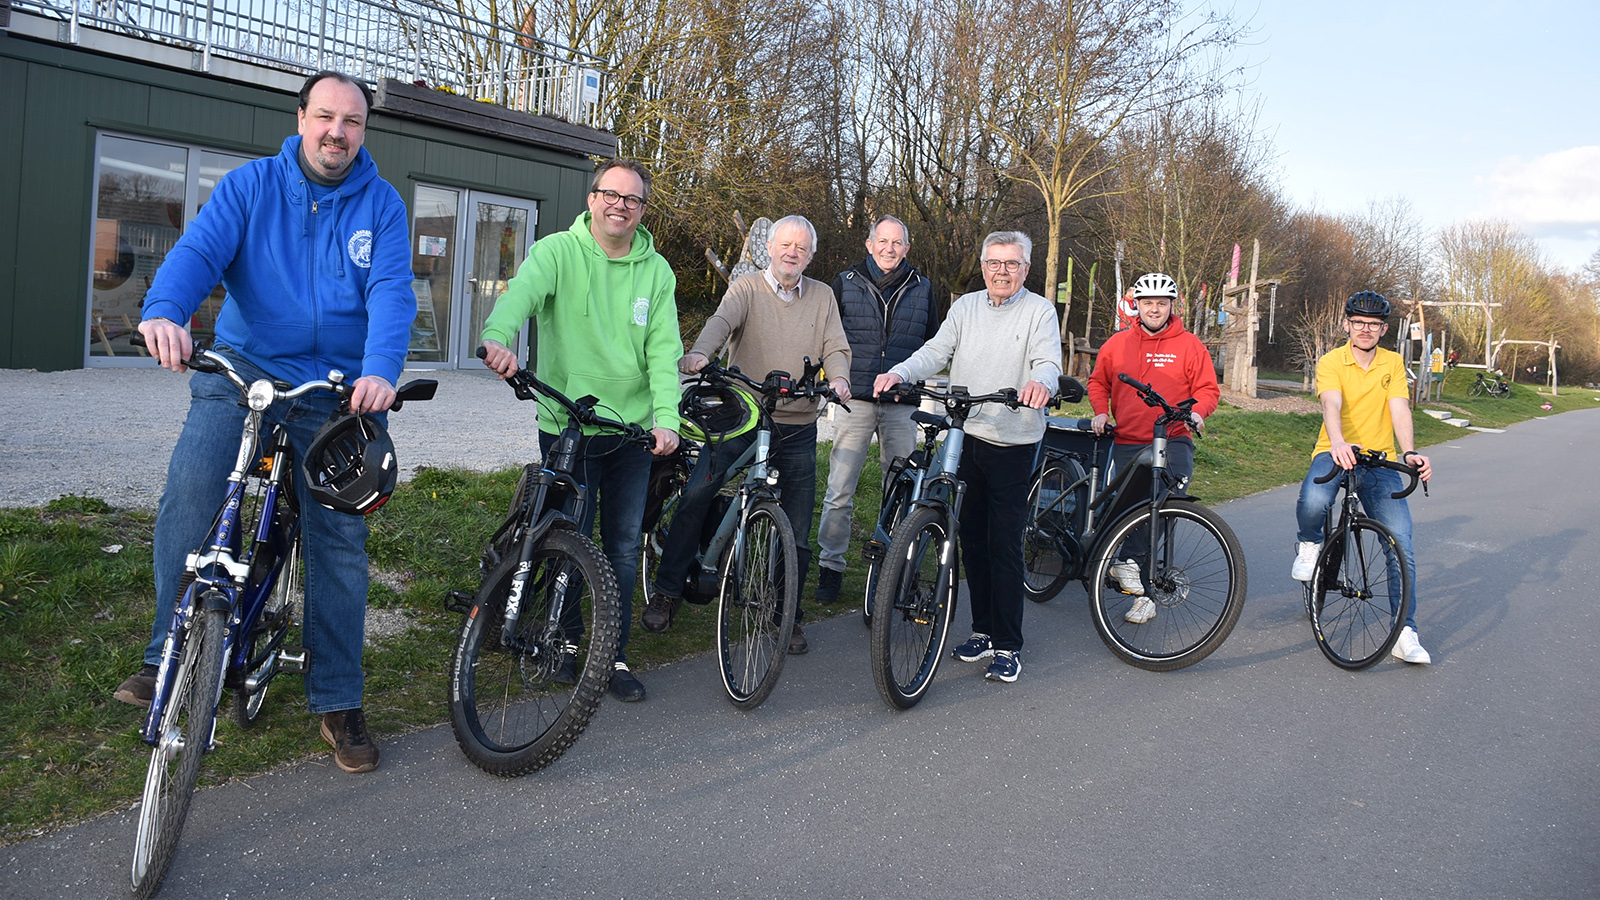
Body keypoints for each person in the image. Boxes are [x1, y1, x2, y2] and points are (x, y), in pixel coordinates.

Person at [114, 71, 417, 773]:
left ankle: (338, 699)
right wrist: (163, 311)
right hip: (244, 368)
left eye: (352, 121)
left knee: (339, 537)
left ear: (363, 131)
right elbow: (199, 252)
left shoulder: (383, 206)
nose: (337, 131)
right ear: (301, 118)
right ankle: (167, 653)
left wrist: (379, 372)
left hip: (336, 387)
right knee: (192, 492)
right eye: (325, 116)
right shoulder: (251, 186)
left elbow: (392, 294)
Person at [479, 158, 681, 703]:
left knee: (619, 544)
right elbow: (519, 295)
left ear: (641, 211)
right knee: (569, 537)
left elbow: (665, 351)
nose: (620, 205)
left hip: (632, 433)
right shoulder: (556, 253)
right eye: (611, 194)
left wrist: (667, 417)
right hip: (566, 426)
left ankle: (610, 654)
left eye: (632, 199)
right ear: (592, 199)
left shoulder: (657, 272)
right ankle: (566, 646)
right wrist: (498, 337)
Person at [642, 215, 851, 655]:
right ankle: (667, 590)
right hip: (741, 417)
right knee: (699, 494)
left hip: (797, 424)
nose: (792, 253)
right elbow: (722, 321)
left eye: (801, 247)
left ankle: (786, 615)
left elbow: (836, 346)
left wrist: (840, 378)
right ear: (769, 248)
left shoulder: (823, 296)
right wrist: (701, 353)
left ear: (810, 255)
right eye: (785, 245)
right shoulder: (747, 288)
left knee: (795, 526)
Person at [873, 231, 1059, 683]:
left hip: (1014, 441)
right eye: (994, 263)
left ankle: (1008, 644)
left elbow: (1047, 362)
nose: (1002, 271)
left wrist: (1042, 385)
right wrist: (899, 370)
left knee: (1004, 543)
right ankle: (982, 630)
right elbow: (936, 351)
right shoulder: (965, 307)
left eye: (1011, 264)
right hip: (968, 434)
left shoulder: (1040, 311)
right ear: (982, 266)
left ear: (1026, 269)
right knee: (971, 539)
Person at [1291, 290, 1435, 664]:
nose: (1365, 330)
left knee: (1400, 543)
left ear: (1384, 329)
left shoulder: (1392, 362)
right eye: (1358, 323)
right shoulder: (1331, 361)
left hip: (1379, 458)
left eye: (1373, 325)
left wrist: (1409, 452)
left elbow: (1399, 409)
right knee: (1315, 500)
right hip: (1336, 449)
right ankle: (1309, 544)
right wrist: (1338, 442)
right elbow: (1330, 402)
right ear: (1346, 325)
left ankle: (1405, 632)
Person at [813, 215, 940, 604]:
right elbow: (827, 337)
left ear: (907, 247)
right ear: (869, 244)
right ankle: (831, 568)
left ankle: (896, 571)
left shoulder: (923, 287)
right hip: (855, 401)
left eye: (897, 242)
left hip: (902, 404)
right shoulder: (845, 283)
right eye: (882, 241)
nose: (889, 248)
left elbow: (934, 344)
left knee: (902, 490)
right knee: (840, 490)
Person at [1086, 271, 1220, 624]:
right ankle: (1132, 579)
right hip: (1128, 439)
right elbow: (1098, 382)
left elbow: (1208, 389)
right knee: (1127, 508)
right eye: (1148, 303)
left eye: (1162, 303)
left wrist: (1198, 412)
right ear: (1137, 306)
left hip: (1174, 436)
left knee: (1165, 504)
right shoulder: (1116, 345)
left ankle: (1133, 572)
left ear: (1172, 306)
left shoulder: (1190, 345)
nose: (1155, 309)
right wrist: (1101, 412)